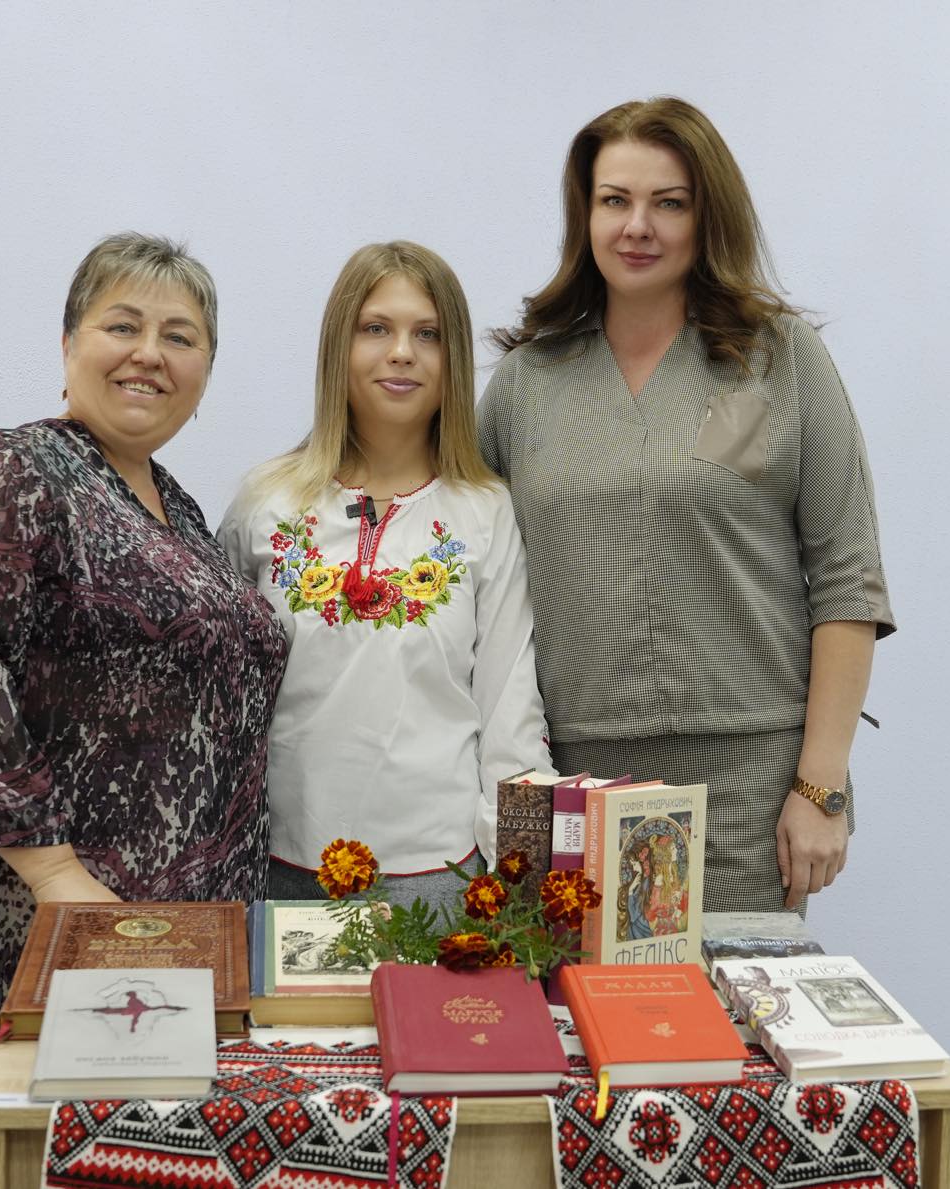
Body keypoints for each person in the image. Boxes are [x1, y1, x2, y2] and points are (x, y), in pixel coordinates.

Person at [0, 233, 287, 1187]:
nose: (150, 353)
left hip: (175, 935)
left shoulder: (178, 512)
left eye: (180, 336)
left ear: (205, 372)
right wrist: (61, 881)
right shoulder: (4, 471)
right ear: (69, 342)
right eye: (123, 325)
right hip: (44, 923)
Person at [478, 97, 895, 916]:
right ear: (585, 215)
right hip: (566, 787)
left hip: (746, 792)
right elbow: (470, 576)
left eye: (669, 203)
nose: (638, 226)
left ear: (709, 218)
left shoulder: (778, 362)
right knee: (569, 1002)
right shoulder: (528, 384)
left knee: (728, 1003)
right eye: (615, 200)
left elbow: (848, 579)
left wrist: (822, 786)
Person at [218, 241, 549, 913]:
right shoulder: (266, 501)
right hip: (280, 866)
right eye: (376, 328)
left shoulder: (485, 510)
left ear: (454, 360)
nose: (402, 352)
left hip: (439, 875)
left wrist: (520, 885)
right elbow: (219, 689)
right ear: (337, 347)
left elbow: (509, 709)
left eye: (428, 334)